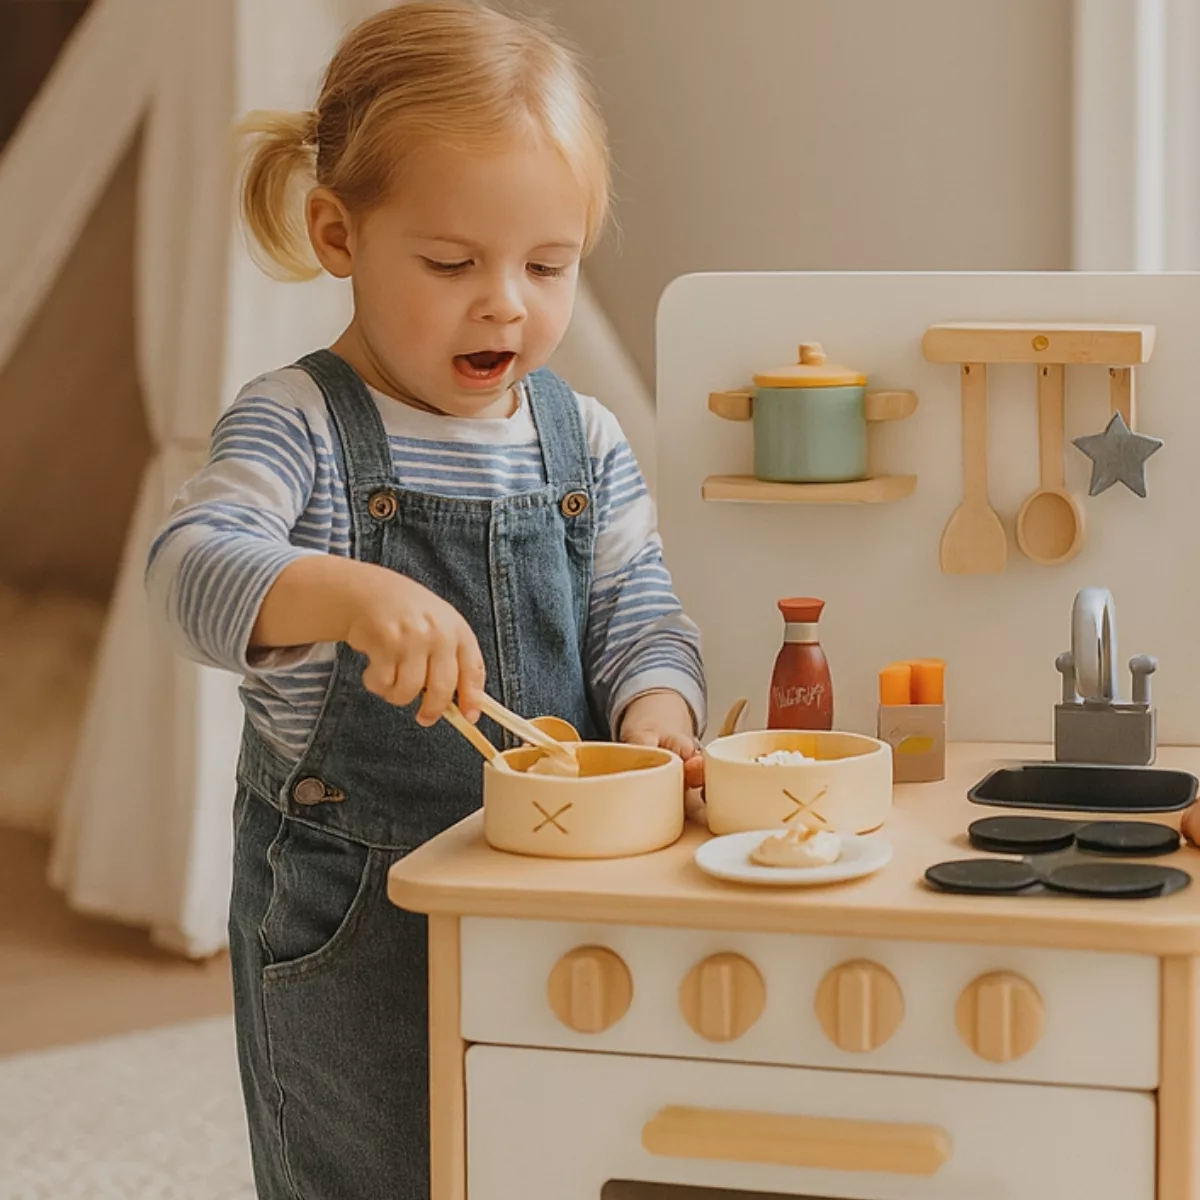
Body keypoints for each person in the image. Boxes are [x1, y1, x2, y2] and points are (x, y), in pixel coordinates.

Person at [144, 3, 706, 1196]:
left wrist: (661, 717)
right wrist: (342, 593)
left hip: (561, 899)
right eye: (453, 264)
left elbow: (639, 613)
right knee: (381, 1168)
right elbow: (187, 570)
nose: (506, 302)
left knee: (560, 1158)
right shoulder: (295, 423)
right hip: (361, 926)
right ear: (339, 233)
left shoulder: (586, 437)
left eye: (548, 266)